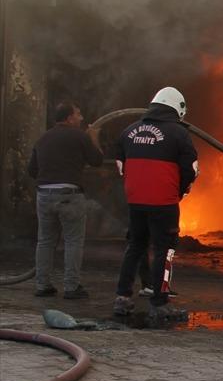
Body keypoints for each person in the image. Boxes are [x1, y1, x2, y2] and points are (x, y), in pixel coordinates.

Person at [113, 87, 198, 320]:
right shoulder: (179, 134)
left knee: (135, 246)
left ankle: (122, 298)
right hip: (164, 202)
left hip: (136, 201)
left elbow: (120, 160)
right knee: (165, 250)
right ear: (177, 108)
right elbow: (190, 170)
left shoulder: (129, 131)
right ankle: (160, 303)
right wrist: (179, 191)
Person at [27, 101, 104, 298]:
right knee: (73, 242)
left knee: (45, 241)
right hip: (70, 195)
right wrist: (94, 137)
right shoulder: (80, 136)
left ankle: (42, 285)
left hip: (44, 195)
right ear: (69, 118)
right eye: (78, 114)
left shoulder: (43, 138)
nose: (81, 118)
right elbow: (97, 160)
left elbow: (32, 171)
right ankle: (71, 287)